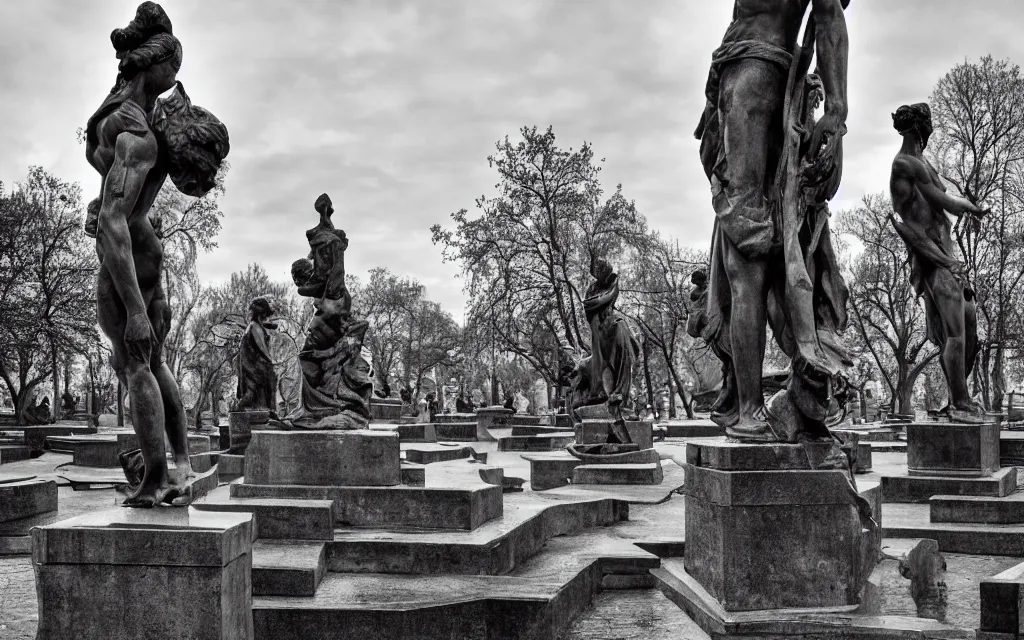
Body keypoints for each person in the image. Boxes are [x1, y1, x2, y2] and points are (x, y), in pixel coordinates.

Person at [85, 2, 229, 506]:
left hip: (131, 254)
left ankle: (155, 479)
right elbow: (111, 199)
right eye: (171, 72)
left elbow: (113, 220)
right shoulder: (131, 116)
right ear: (152, 67)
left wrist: (137, 309)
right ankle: (181, 465)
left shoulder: (138, 136)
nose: (173, 85)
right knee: (154, 361)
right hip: (144, 250)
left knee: (135, 363)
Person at [695, 0, 850, 441]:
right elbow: (829, 13)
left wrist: (835, 108)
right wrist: (836, 108)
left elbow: (828, 12)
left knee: (775, 244)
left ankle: (754, 406)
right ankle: (748, 407)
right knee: (756, 247)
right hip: (758, 80)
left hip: (761, 80)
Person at [890, 103, 988, 423]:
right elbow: (924, 215)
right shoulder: (905, 165)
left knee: (969, 327)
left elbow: (941, 203)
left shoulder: (920, 162)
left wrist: (967, 210)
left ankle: (957, 396)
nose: (931, 132)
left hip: (948, 256)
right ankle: (959, 404)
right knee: (955, 334)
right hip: (933, 259)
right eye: (930, 126)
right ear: (921, 128)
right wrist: (970, 208)